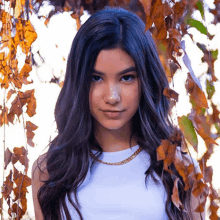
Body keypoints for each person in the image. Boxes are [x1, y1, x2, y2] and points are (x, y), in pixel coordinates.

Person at [32, 6, 205, 220]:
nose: (112, 97)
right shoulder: (50, 170)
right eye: (96, 78)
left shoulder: (179, 167)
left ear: (146, 80)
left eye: (127, 78)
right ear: (79, 82)